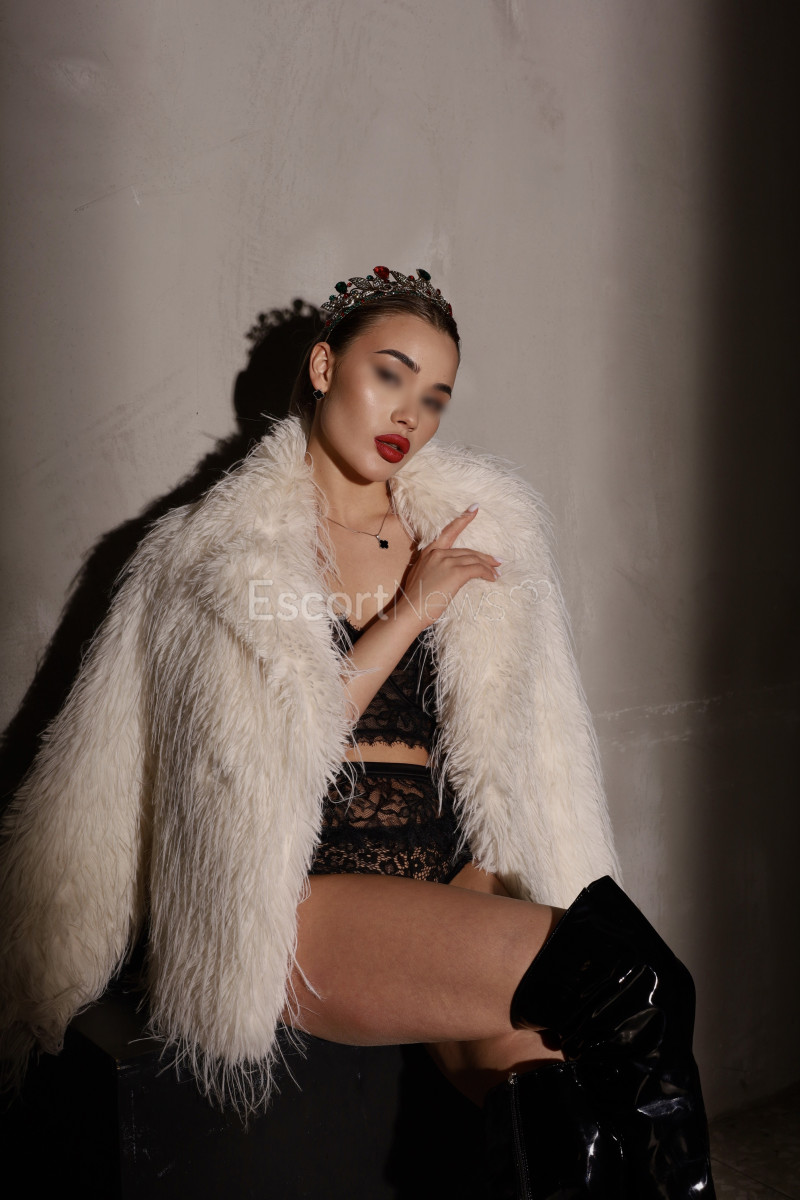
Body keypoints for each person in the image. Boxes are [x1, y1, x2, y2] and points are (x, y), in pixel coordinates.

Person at [0, 266, 715, 1197]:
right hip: (309, 893)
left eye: (436, 397)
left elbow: (535, 753)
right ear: (325, 366)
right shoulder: (213, 557)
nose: (410, 414)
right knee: (639, 981)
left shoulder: (476, 532)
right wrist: (411, 609)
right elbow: (268, 740)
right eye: (390, 374)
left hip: (446, 867)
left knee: (564, 1101)